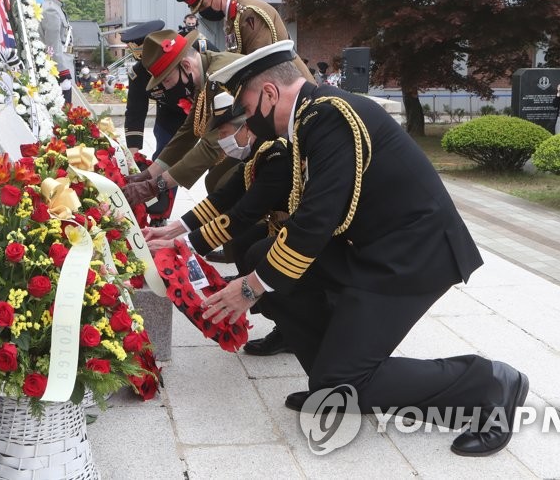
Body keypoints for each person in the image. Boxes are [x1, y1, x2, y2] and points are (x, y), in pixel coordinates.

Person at [199, 40, 529, 458]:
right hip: (374, 248)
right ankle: (332, 381)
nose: (247, 118)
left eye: (246, 106)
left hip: (413, 257)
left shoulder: (329, 116)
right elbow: (299, 217)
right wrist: (237, 265)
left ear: (268, 94)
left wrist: (249, 289)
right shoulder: (311, 116)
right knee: (262, 256)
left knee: (339, 376)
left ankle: (490, 384)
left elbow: (316, 221)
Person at [145, 91, 293, 355]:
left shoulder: (276, 154)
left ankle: (291, 322)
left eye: (224, 133)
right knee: (245, 242)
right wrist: (171, 230)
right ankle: (283, 320)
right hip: (285, 226)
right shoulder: (257, 151)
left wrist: (181, 245)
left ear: (246, 127)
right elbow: (222, 199)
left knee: (258, 251)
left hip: (315, 239)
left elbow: (243, 214)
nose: (223, 142)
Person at [120, 30, 242, 206]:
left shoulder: (220, 77)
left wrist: (155, 186)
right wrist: (148, 174)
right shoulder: (205, 76)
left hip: (284, 142)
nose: (166, 88)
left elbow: (212, 145)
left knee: (223, 180)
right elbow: (189, 130)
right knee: (219, 182)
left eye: (167, 80)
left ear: (185, 65)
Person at [176, 0, 313, 82]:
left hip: (294, 89)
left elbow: (260, 63)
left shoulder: (249, 12)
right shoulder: (232, 16)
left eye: (205, 5)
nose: (205, 11)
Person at [121, 20, 188, 159]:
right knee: (163, 160)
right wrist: (133, 156)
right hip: (170, 114)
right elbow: (135, 112)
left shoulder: (188, 49)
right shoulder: (138, 74)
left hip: (206, 108)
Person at [39, 0, 74, 104]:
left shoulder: (56, 7)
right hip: (59, 69)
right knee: (63, 113)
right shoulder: (51, 10)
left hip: (64, 62)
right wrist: (62, 73)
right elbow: (53, 45)